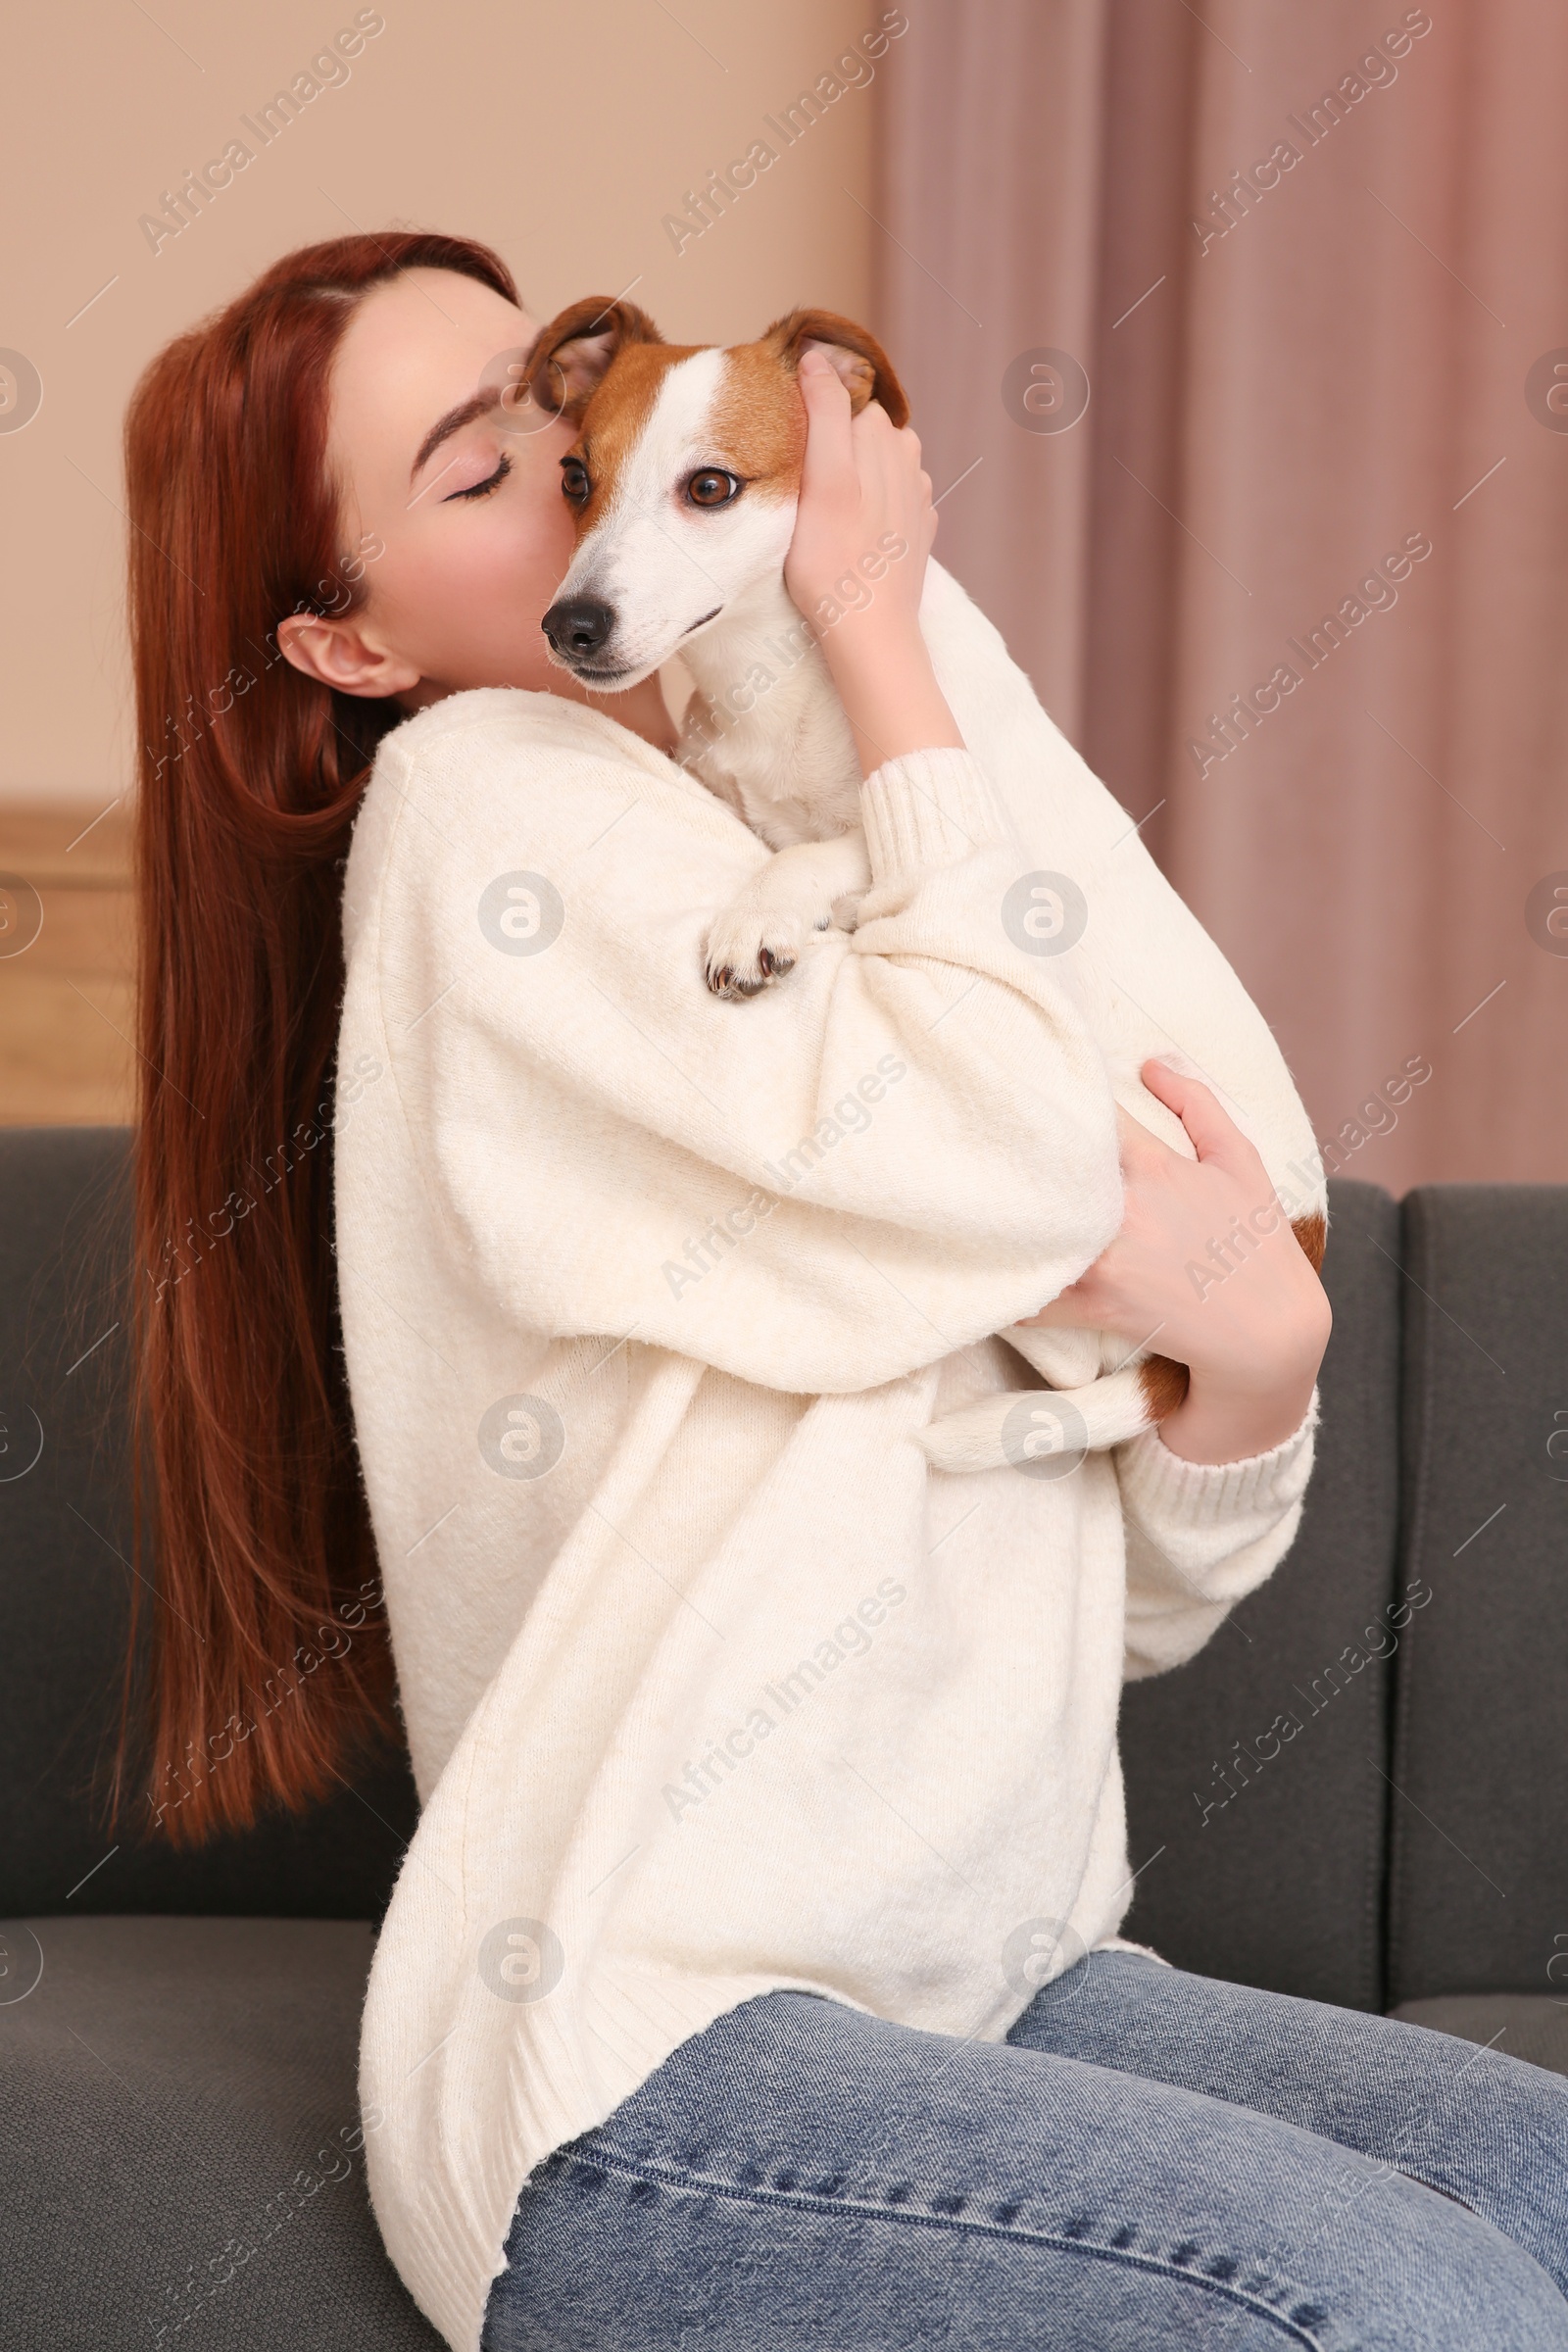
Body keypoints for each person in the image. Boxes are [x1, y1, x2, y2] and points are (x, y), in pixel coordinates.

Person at [122, 234, 1568, 2352]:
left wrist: (1245, 1381)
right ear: (345, 646)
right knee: (1392, 2297)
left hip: (992, 1978)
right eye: (480, 473)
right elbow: (1014, 1147)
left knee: (1535, 2183)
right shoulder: (489, 822)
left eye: (567, 429)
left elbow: (1129, 1591)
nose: (577, 500)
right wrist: (883, 637)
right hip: (650, 2047)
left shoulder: (748, 844)